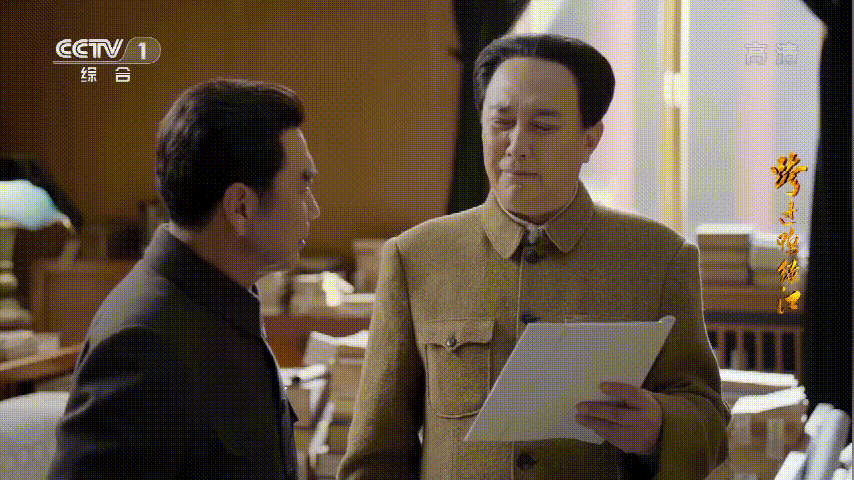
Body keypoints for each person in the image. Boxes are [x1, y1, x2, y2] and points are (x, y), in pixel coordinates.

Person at [337, 34, 729, 480]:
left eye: (543, 126)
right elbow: (377, 453)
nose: (516, 145)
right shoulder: (415, 257)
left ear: (590, 139)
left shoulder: (660, 258)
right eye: (501, 122)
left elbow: (711, 427)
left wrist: (660, 428)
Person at [48, 78, 320, 479]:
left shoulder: (224, 299)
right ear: (241, 206)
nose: (313, 209)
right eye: (302, 186)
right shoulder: (143, 343)